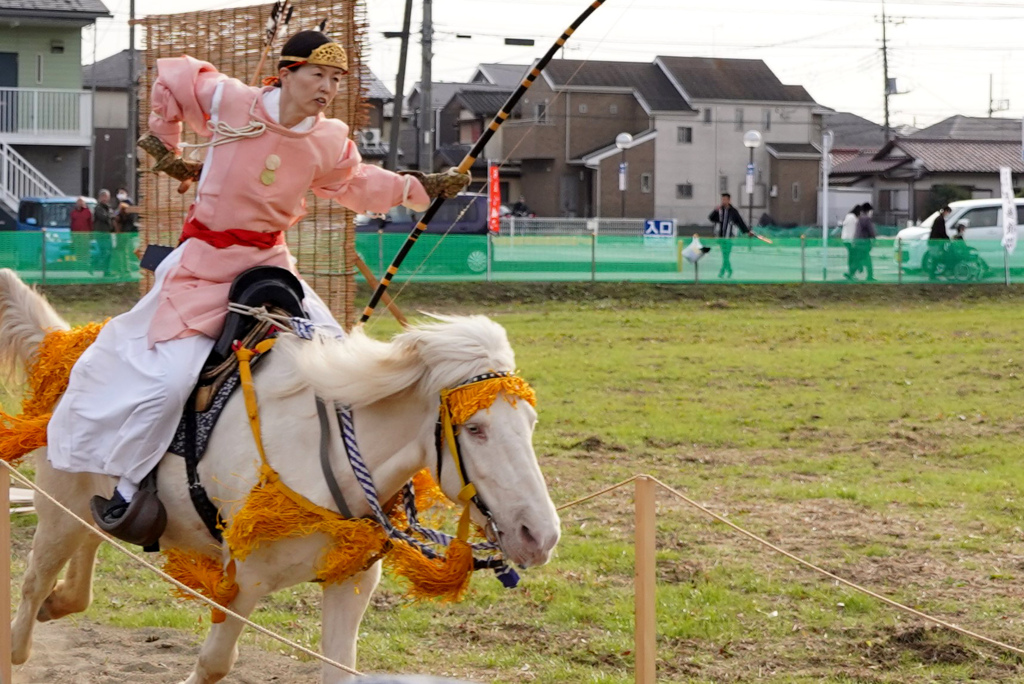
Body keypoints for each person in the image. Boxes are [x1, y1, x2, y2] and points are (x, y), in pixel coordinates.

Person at [46, 29, 470, 545]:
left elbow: (356, 183)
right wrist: (168, 148)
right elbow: (173, 76)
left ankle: (355, 492)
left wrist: (419, 186)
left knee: (341, 362)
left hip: (270, 265)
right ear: (287, 73)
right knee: (169, 380)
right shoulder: (232, 102)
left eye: (336, 79)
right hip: (202, 266)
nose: (328, 87)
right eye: (317, 74)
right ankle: (131, 488)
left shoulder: (328, 139)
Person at [708, 193, 749, 278]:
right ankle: (728, 270)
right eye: (722, 199)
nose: (723, 201)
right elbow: (711, 218)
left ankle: (723, 271)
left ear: (729, 200)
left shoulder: (733, 211)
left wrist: (747, 231)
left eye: (725, 199)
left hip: (729, 238)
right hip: (721, 237)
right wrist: (715, 211)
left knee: (726, 255)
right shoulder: (720, 211)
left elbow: (740, 222)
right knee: (725, 255)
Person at [110, 189, 140, 278]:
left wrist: (119, 217)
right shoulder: (119, 205)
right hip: (120, 232)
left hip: (125, 232)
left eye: (122, 192)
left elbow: (127, 218)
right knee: (122, 252)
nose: (120, 194)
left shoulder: (128, 205)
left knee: (123, 252)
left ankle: (125, 271)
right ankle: (123, 270)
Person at [91, 189, 115, 276]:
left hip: (107, 233)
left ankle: (107, 271)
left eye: (107, 197)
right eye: (104, 196)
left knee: (109, 252)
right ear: (100, 197)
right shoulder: (98, 208)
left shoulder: (108, 207)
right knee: (104, 252)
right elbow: (103, 217)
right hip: (101, 233)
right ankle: (93, 265)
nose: (105, 199)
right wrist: (111, 215)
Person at [926, 205, 952, 279]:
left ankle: (933, 274)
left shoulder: (938, 219)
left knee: (935, 258)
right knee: (935, 258)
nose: (948, 214)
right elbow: (941, 231)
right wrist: (947, 239)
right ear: (945, 211)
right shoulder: (940, 220)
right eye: (948, 212)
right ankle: (932, 275)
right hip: (935, 242)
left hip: (934, 241)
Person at [853, 201, 877, 282]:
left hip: (858, 242)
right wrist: (874, 237)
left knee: (859, 259)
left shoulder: (860, 218)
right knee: (867, 260)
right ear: (868, 210)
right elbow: (871, 230)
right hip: (864, 243)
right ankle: (869, 276)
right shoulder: (866, 219)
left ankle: (851, 273)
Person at [69, 196, 93, 267]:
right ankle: (78, 264)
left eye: (81, 202)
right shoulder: (73, 213)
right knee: (78, 250)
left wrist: (91, 235)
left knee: (85, 250)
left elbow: (90, 223)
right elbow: (72, 224)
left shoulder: (87, 212)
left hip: (85, 235)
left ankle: (86, 264)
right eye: (78, 202)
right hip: (76, 235)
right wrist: (72, 235)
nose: (80, 203)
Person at [841, 204, 861, 280]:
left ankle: (851, 272)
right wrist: (854, 241)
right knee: (854, 257)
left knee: (851, 256)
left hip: (845, 239)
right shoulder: (853, 219)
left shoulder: (848, 216)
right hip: (851, 240)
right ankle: (851, 273)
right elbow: (852, 230)